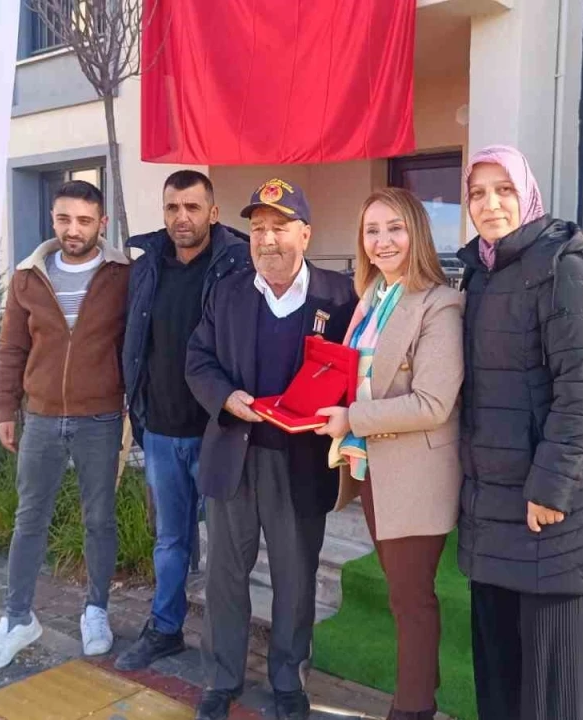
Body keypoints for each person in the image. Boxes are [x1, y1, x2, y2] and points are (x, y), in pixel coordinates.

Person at [185, 178, 357, 720]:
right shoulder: (228, 290)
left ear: (305, 234)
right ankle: (221, 680)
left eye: (279, 227)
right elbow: (198, 359)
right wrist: (225, 397)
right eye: (258, 228)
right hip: (234, 456)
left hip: (300, 463)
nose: (266, 239)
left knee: (296, 577)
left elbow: (358, 371)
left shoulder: (339, 296)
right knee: (225, 576)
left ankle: (288, 682)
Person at [456, 145, 583, 719]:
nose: (490, 204)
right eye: (477, 193)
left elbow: (582, 392)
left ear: (527, 194)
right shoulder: (480, 271)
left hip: (548, 508)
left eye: (504, 190)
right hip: (490, 506)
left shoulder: (563, 265)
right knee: (499, 683)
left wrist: (550, 489)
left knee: (552, 692)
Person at [313, 188, 463, 720]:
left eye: (394, 228)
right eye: (372, 230)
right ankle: (422, 682)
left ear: (417, 232)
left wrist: (352, 419)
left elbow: (433, 404)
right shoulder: (373, 296)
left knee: (410, 597)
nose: (383, 241)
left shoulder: (440, 304)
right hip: (374, 466)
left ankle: (413, 707)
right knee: (405, 592)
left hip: (415, 473)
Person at [0, 180, 131, 671]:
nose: (73, 230)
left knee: (99, 519)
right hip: (41, 417)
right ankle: (17, 618)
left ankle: (96, 610)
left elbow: (134, 344)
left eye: (84, 220)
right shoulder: (29, 277)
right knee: (29, 519)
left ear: (101, 224)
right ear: (53, 219)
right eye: (64, 219)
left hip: (100, 417)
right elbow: (12, 348)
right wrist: (6, 408)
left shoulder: (122, 276)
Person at [116, 170, 251, 670]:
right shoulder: (147, 266)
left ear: (212, 213)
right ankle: (165, 627)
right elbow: (135, 340)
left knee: (226, 548)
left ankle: (223, 642)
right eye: (173, 207)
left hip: (219, 431)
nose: (182, 217)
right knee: (170, 540)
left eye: (192, 207)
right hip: (160, 431)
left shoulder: (237, 264)